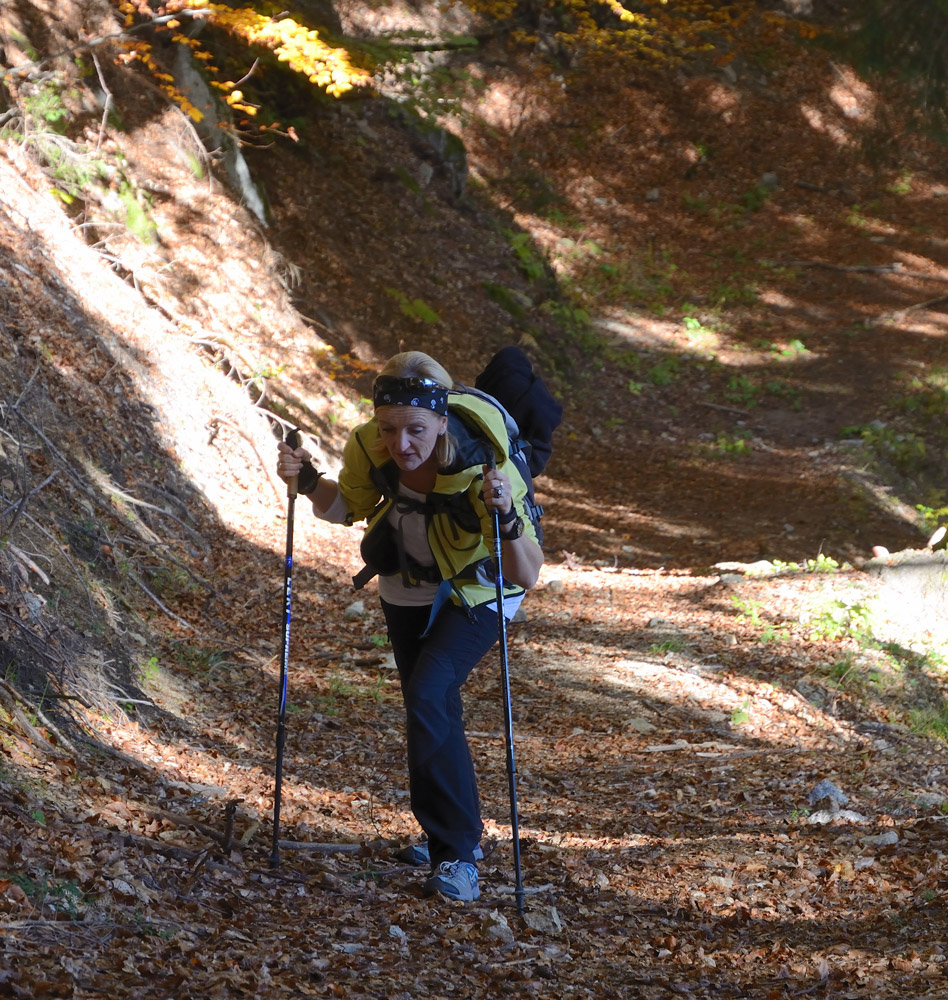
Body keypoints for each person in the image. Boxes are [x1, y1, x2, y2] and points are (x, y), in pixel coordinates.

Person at [276, 351, 543, 902]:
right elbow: (344, 505)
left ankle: (458, 855)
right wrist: (307, 482)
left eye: (416, 429)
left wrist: (509, 518)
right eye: (390, 428)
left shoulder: (483, 463)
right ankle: (450, 831)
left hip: (479, 588)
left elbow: (526, 571)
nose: (401, 444)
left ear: (442, 420)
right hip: (407, 586)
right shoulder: (370, 447)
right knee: (429, 705)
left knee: (428, 692)